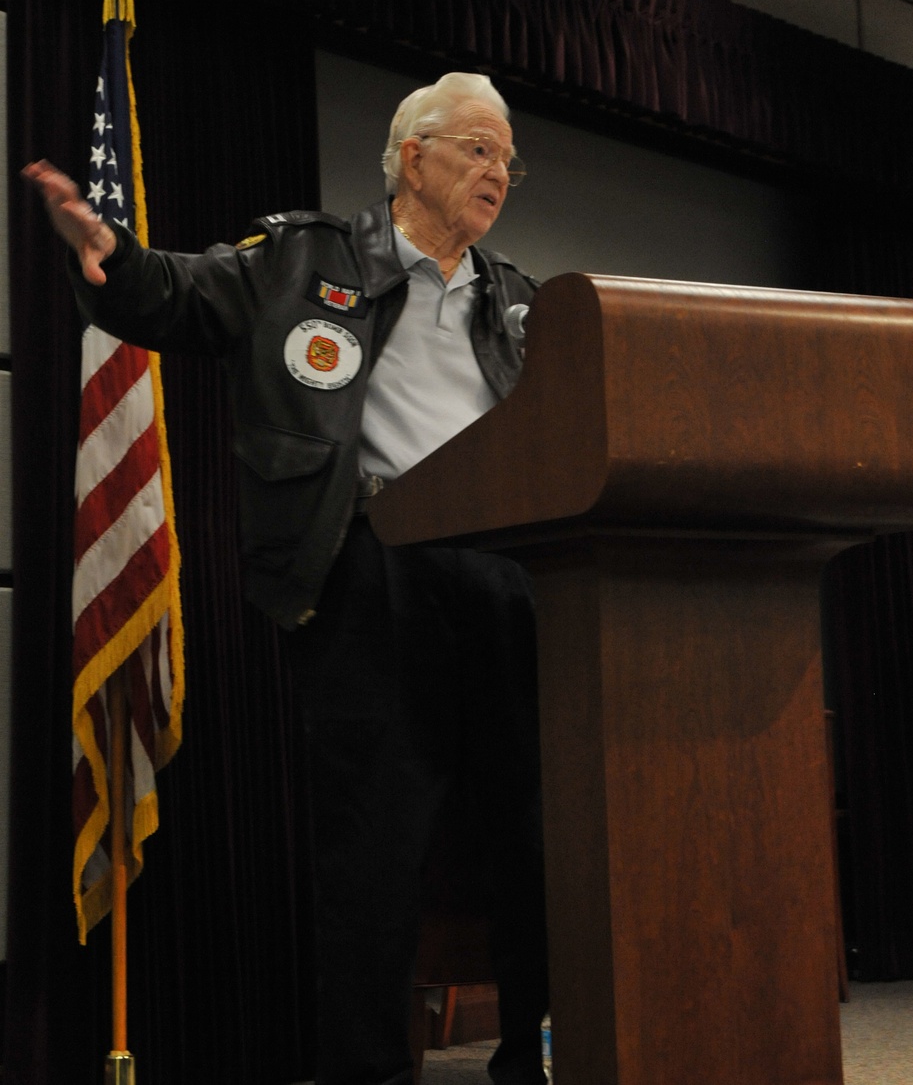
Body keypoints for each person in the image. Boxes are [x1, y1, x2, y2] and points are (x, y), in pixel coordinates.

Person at [24, 71, 549, 1085]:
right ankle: (367, 1073)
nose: (499, 173)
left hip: (510, 584)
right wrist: (108, 258)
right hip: (373, 577)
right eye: (478, 150)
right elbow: (178, 292)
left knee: (537, 841)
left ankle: (532, 1060)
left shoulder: (520, 303)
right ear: (411, 157)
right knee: (374, 859)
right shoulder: (306, 260)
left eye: (507, 159)